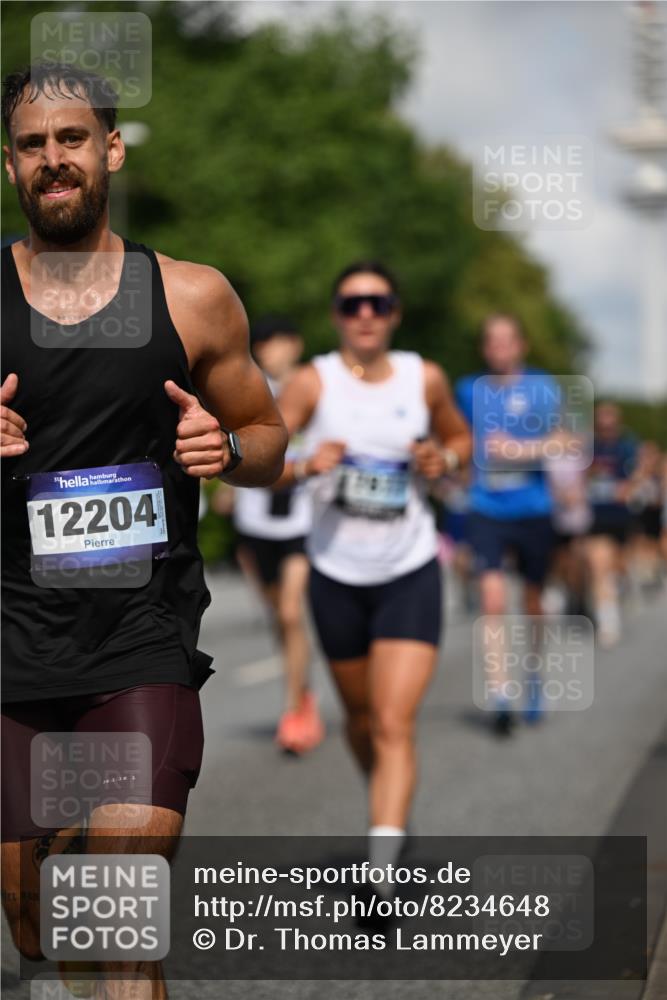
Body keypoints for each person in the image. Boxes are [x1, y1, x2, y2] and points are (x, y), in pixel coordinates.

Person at [0, 63, 286, 997]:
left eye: (72, 138)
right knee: (40, 928)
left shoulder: (193, 296)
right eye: (34, 145)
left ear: (110, 149)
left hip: (140, 633)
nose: (55, 160)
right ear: (11, 166)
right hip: (10, 639)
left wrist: (225, 445)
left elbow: (270, 441)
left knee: (119, 919)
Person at [275, 260, 471, 894]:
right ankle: (389, 806)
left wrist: (444, 456)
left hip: (408, 567)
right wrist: (305, 464)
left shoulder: (424, 377)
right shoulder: (314, 382)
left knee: (392, 723)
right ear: (336, 314)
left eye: (378, 303)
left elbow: (461, 438)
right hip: (336, 571)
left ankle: (382, 870)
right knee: (361, 721)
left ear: (395, 313)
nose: (365, 314)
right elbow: (255, 459)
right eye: (352, 304)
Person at [455, 314, 561, 734]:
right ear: (485, 349)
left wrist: (518, 449)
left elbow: (566, 440)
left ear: (522, 345)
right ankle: (501, 695)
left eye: (507, 340)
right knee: (493, 599)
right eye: (492, 341)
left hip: (534, 508)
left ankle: (533, 676)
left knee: (532, 604)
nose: (500, 348)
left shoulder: (543, 386)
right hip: (486, 507)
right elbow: (457, 437)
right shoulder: (467, 390)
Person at [230, 315, 323, 754]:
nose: (269, 350)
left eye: (277, 341)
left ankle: (293, 711)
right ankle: (303, 689)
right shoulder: (251, 390)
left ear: (296, 344)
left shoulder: (317, 389)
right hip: (256, 522)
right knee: (278, 619)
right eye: (261, 343)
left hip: (302, 521)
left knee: (290, 612)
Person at [584, 401, 638, 647]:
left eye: (610, 419)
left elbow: (637, 472)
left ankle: (620, 588)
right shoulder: (589, 446)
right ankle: (608, 620)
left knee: (617, 566)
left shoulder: (627, 445)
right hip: (597, 516)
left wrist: (628, 487)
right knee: (599, 565)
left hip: (621, 516)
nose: (606, 423)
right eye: (601, 418)